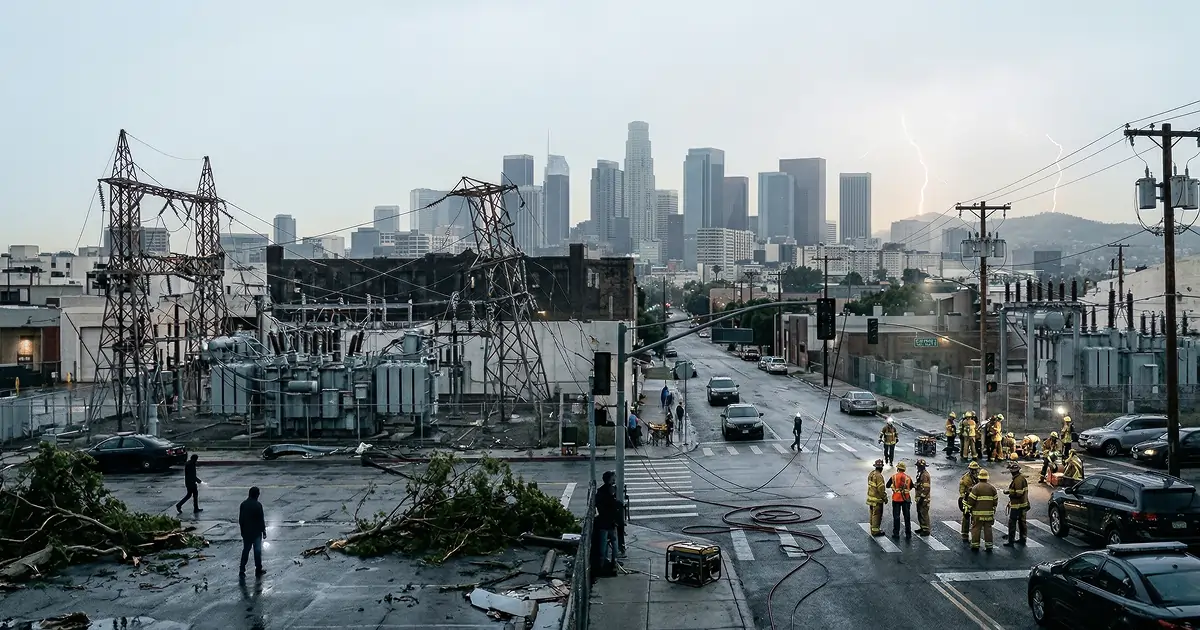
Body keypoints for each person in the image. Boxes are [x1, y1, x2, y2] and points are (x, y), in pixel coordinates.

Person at [594, 471, 623, 575]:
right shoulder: (609, 491)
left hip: (604, 522)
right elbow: (613, 505)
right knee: (612, 544)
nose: (614, 480)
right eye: (613, 478)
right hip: (609, 522)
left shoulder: (600, 492)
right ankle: (611, 563)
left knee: (605, 545)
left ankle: (605, 563)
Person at [965, 469, 999, 553]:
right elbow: (995, 501)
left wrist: (967, 509)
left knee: (976, 528)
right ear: (987, 478)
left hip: (977, 514)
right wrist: (993, 508)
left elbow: (971, 501)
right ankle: (989, 545)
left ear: (979, 478)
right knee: (988, 529)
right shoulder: (992, 488)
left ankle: (975, 545)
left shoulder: (975, 488)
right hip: (989, 514)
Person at [238, 487, 267, 577]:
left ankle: (242, 569)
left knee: (246, 550)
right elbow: (261, 520)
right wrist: (264, 531)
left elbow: (241, 520)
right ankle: (258, 568)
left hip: (247, 532)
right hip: (256, 532)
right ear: (256, 495)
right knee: (257, 551)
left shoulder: (243, 504)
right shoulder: (258, 505)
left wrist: (242, 531)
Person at [1002, 463, 1030, 546]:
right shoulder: (1021, 478)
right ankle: (1022, 539)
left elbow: (1018, 493)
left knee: (1012, 523)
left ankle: (1011, 541)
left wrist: (1008, 492)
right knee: (1022, 523)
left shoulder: (1018, 480)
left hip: (1017, 506)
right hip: (1023, 504)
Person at [885, 461, 914, 539]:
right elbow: (911, 486)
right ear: (904, 469)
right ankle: (908, 534)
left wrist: (893, 486)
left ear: (897, 468)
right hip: (906, 499)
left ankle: (896, 533)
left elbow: (887, 485)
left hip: (896, 499)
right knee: (907, 517)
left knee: (896, 517)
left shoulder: (893, 477)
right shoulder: (908, 477)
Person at [958, 461, 980, 543]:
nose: (974, 471)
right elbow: (961, 491)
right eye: (972, 470)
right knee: (966, 517)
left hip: (977, 501)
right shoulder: (965, 478)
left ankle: (974, 536)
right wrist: (963, 498)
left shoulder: (979, 477)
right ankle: (965, 535)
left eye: (975, 470)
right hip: (968, 500)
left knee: (975, 519)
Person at [866, 459, 888, 536]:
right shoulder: (879, 476)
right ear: (881, 468)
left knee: (872, 514)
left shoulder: (871, 474)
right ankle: (875, 531)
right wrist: (885, 498)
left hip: (870, 498)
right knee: (877, 515)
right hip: (877, 500)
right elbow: (881, 489)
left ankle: (872, 528)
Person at [913, 459, 932, 535]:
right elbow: (919, 484)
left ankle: (926, 530)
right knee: (920, 513)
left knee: (924, 513)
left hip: (924, 499)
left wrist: (922, 498)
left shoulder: (925, 475)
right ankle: (922, 527)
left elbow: (926, 488)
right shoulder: (920, 473)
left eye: (918, 466)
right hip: (919, 498)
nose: (917, 467)